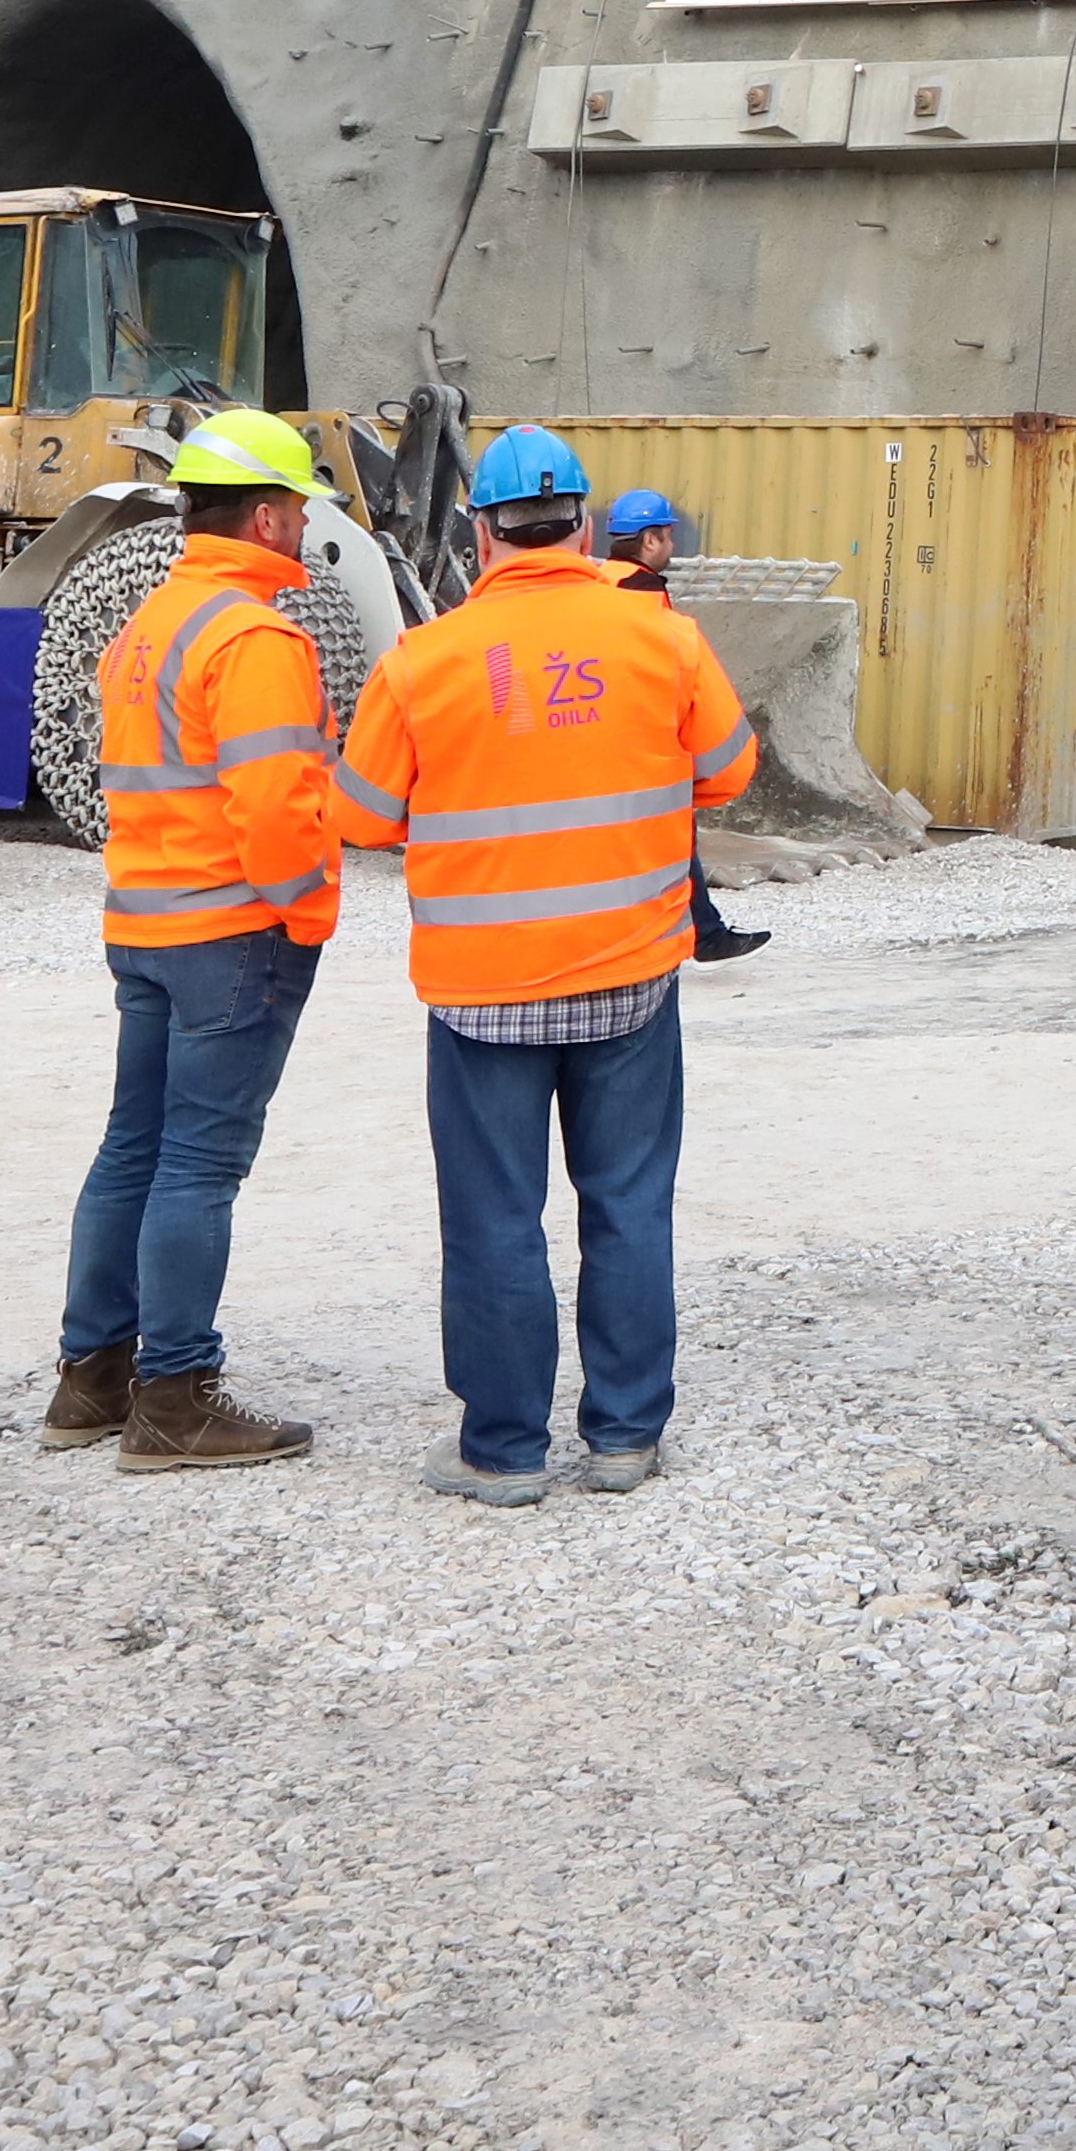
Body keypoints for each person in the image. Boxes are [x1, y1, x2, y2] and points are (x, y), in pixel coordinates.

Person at [336, 422, 761, 1508]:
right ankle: (623, 1436)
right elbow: (728, 771)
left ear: (482, 533)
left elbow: (366, 815)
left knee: (493, 1218)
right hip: (629, 976)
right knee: (627, 1201)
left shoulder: (423, 660)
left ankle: (504, 1449)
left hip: (484, 996)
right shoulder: (660, 637)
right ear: (583, 524)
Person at [55, 408, 350, 1475]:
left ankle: (92, 1377)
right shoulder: (256, 637)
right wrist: (305, 908)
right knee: (197, 1164)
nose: (307, 524)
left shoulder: (153, 622)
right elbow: (274, 804)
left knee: (132, 1147)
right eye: (303, 507)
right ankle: (176, 1398)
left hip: (145, 922)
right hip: (232, 929)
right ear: (269, 514)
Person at [599, 486, 777, 965]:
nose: (673, 547)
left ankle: (703, 931)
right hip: (640, 749)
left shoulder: (595, 584)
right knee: (669, 840)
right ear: (651, 540)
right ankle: (701, 935)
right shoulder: (641, 598)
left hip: (597, 743)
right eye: (668, 538)